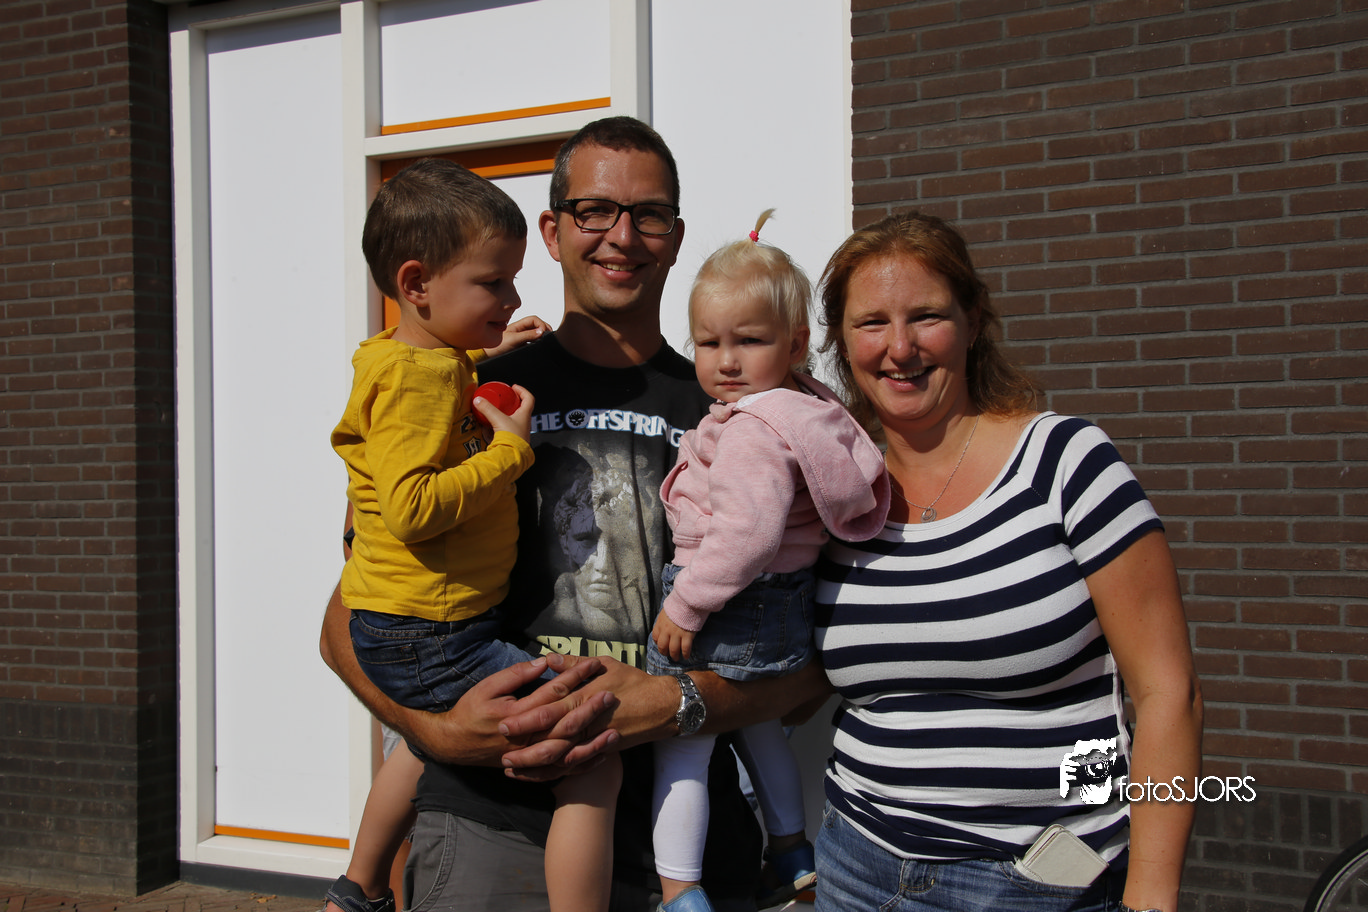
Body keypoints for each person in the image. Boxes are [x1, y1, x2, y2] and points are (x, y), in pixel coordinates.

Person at [320, 117, 831, 912]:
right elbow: (350, 619)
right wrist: (437, 730)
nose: (621, 236)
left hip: (689, 852)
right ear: (553, 232)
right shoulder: (471, 392)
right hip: (494, 833)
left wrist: (680, 703)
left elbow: (814, 663)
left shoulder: (747, 412)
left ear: (675, 238)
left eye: (648, 215)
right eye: (594, 210)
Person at [810, 211, 1204, 911]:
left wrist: (1150, 894)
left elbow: (1169, 694)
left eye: (926, 316)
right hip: (857, 866)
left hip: (1035, 880)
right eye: (871, 323)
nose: (899, 347)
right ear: (842, 342)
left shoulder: (1066, 462)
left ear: (972, 322)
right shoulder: (836, 494)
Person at [328, 158, 620, 912]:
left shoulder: (409, 357)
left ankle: (357, 889)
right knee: (593, 754)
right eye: (493, 283)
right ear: (417, 284)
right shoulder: (420, 381)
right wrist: (508, 453)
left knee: (421, 742)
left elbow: (431, 389)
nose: (513, 297)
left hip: (412, 624)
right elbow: (412, 507)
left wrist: (484, 353)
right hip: (434, 633)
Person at [645, 212, 890, 912]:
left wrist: (686, 604)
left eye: (748, 341)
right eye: (708, 342)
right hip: (782, 604)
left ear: (796, 343)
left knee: (682, 742)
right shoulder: (809, 410)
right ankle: (790, 852)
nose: (726, 361)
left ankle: (680, 892)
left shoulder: (753, 428)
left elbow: (746, 536)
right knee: (760, 725)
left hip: (724, 602)